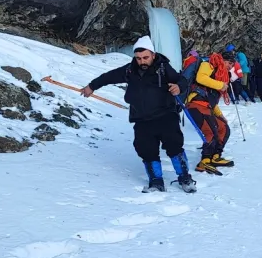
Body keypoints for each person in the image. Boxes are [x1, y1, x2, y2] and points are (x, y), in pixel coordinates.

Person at [81, 36, 196, 193]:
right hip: (142, 119)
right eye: (139, 58)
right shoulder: (130, 70)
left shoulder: (163, 68)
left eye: (145, 57)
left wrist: (178, 87)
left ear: (153, 55)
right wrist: (92, 86)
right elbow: (110, 76)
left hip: (166, 116)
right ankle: (156, 181)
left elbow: (182, 80)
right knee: (146, 149)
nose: (142, 61)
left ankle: (185, 178)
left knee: (174, 146)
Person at [185, 51, 236, 175]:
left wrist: (219, 114)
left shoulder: (219, 75)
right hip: (196, 103)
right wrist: (220, 85)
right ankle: (205, 160)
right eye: (229, 63)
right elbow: (200, 78)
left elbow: (212, 99)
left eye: (232, 64)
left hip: (207, 106)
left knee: (224, 128)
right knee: (210, 130)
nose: (230, 66)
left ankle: (215, 156)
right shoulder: (209, 64)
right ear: (223, 59)